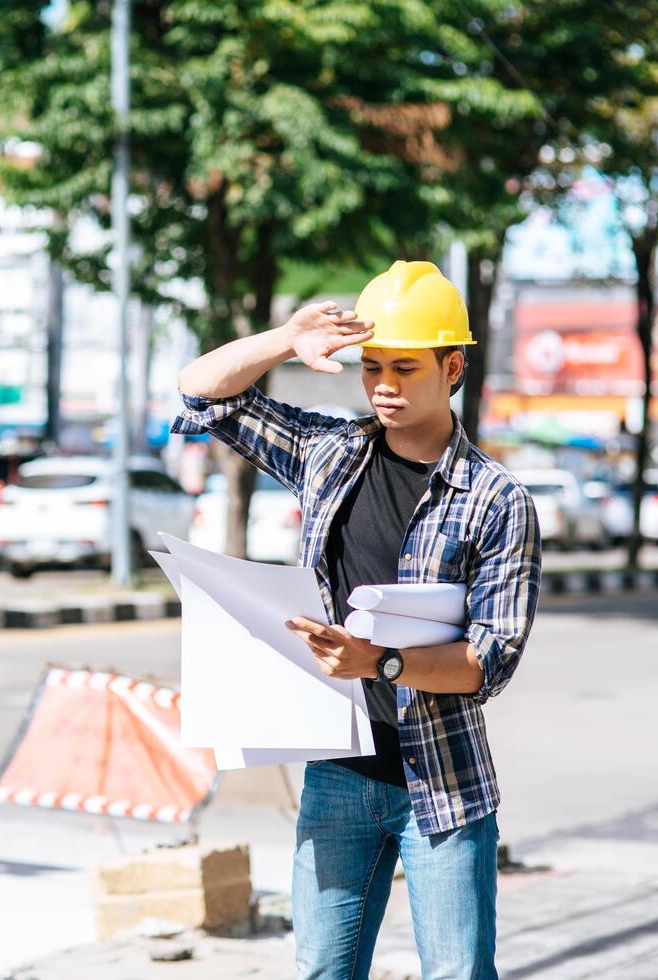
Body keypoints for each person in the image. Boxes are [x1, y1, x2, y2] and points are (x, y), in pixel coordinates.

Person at [172, 260, 541, 979]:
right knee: (322, 972)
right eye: (371, 367)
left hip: (442, 786)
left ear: (452, 367)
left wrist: (379, 662)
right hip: (336, 775)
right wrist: (284, 338)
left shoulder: (497, 501)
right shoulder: (329, 452)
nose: (382, 385)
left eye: (405, 368)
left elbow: (487, 662)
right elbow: (198, 394)